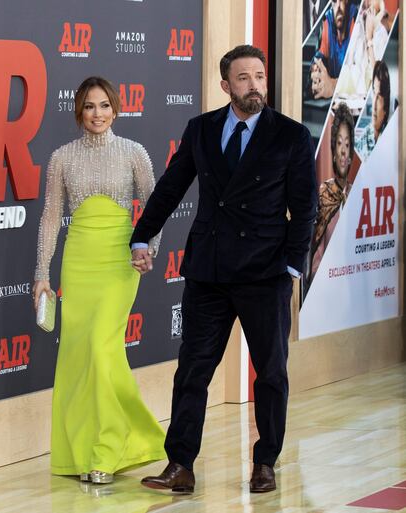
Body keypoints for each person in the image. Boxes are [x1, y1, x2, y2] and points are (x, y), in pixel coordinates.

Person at [131, 45, 317, 494]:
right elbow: (171, 186)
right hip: (209, 272)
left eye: (259, 76)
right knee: (192, 371)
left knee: (270, 373)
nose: (254, 86)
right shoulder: (201, 129)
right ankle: (180, 465)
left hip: (265, 273)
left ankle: (265, 463)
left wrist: (293, 266)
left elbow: (305, 208)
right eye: (244, 78)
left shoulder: (291, 135)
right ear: (225, 85)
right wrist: (142, 235)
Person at [33, 76, 166, 485]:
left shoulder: (133, 152)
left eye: (105, 105)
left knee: (100, 346)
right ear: (79, 110)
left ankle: (107, 451)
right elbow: (50, 218)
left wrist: (148, 248)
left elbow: (156, 205)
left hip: (118, 260)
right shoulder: (61, 158)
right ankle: (82, 451)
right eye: (90, 106)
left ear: (116, 109)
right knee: (79, 355)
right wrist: (41, 274)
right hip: (79, 261)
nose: (98, 114)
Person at [309, 102, 355, 283]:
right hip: (327, 282)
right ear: (333, 151)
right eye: (339, 143)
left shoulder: (356, 193)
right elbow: (316, 255)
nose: (343, 151)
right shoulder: (324, 193)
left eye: (347, 144)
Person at [311, 0, 358, 99]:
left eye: (341, 1)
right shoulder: (329, 20)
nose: (338, 7)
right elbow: (321, 54)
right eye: (334, 1)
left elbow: (359, 76)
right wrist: (316, 69)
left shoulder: (355, 19)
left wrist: (334, 85)